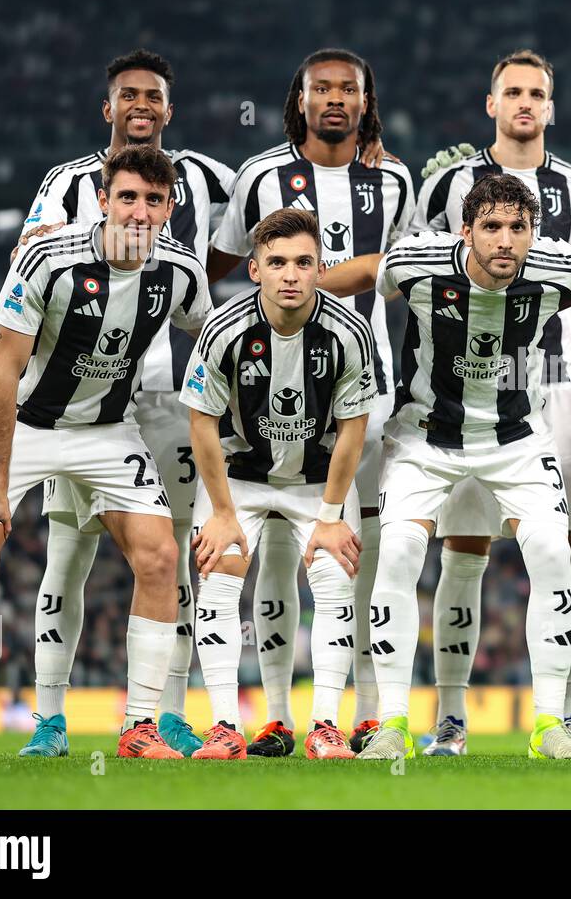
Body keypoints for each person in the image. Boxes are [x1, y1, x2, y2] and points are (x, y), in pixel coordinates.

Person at [0, 145, 213, 761]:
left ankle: (140, 728)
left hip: (107, 430)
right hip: (19, 422)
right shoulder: (47, 258)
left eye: (153, 200)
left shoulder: (182, 270)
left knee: (162, 556)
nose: (139, 211)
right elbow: (3, 369)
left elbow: (210, 339)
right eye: (127, 197)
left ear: (169, 208)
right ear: (102, 200)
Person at [320, 174, 571, 760]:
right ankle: (392, 723)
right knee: (394, 553)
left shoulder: (557, 267)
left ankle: (549, 726)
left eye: (518, 228)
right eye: (491, 227)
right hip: (425, 437)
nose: (505, 241)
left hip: (518, 437)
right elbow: (371, 271)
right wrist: (302, 283)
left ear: (533, 234)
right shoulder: (419, 261)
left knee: (550, 551)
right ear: (464, 231)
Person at [13, 48, 234, 758]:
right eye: (128, 95)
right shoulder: (68, 181)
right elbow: (28, 257)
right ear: (108, 108)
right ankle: (51, 718)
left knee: (171, 551)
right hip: (80, 394)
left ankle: (164, 714)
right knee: (67, 551)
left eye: (154, 97)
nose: (142, 106)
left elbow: (270, 197)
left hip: (170, 397)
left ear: (170, 109)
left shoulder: (203, 178)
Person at [207, 48, 414, 756]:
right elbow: (223, 263)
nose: (333, 99)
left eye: (347, 89)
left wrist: (344, 276)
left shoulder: (393, 178)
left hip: (368, 388)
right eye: (320, 88)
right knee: (273, 553)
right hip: (269, 391)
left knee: (361, 553)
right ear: (298, 99)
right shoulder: (259, 176)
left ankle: (363, 709)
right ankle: (275, 714)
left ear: (365, 100)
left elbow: (402, 269)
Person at [410, 50, 571, 755]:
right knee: (464, 549)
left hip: (553, 377)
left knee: (564, 545)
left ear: (552, 107)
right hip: (469, 383)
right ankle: (451, 720)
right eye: (512, 92)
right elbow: (425, 283)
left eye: (537, 93)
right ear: (491, 104)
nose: (525, 103)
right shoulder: (450, 184)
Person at [182, 207, 375, 760]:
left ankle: (324, 728)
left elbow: (352, 432)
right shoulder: (223, 331)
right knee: (218, 578)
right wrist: (221, 514)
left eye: (303, 262)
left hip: (318, 480)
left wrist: (332, 517)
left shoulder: (349, 331)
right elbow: (202, 423)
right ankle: (224, 726)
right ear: (254, 269)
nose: (290, 274)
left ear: (319, 268)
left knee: (337, 581)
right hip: (241, 477)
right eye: (277, 262)